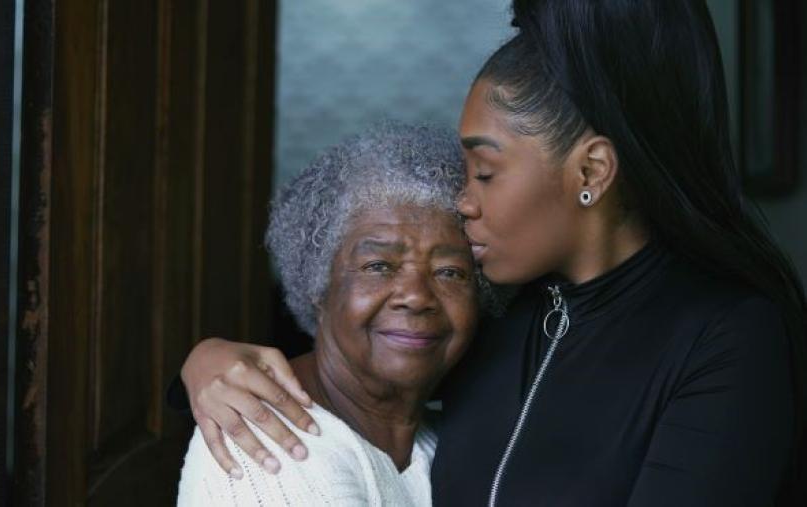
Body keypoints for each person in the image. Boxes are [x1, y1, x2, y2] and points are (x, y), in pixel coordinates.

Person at [173, 1, 807, 505]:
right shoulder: (495, 312)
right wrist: (203, 365)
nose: (464, 200)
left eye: (484, 171)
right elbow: (348, 364)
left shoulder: (727, 338)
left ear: (591, 169)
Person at [177, 122, 485, 506]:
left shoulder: (444, 443)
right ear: (317, 284)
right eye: (379, 266)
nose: (416, 296)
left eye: (449, 272)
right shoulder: (265, 442)